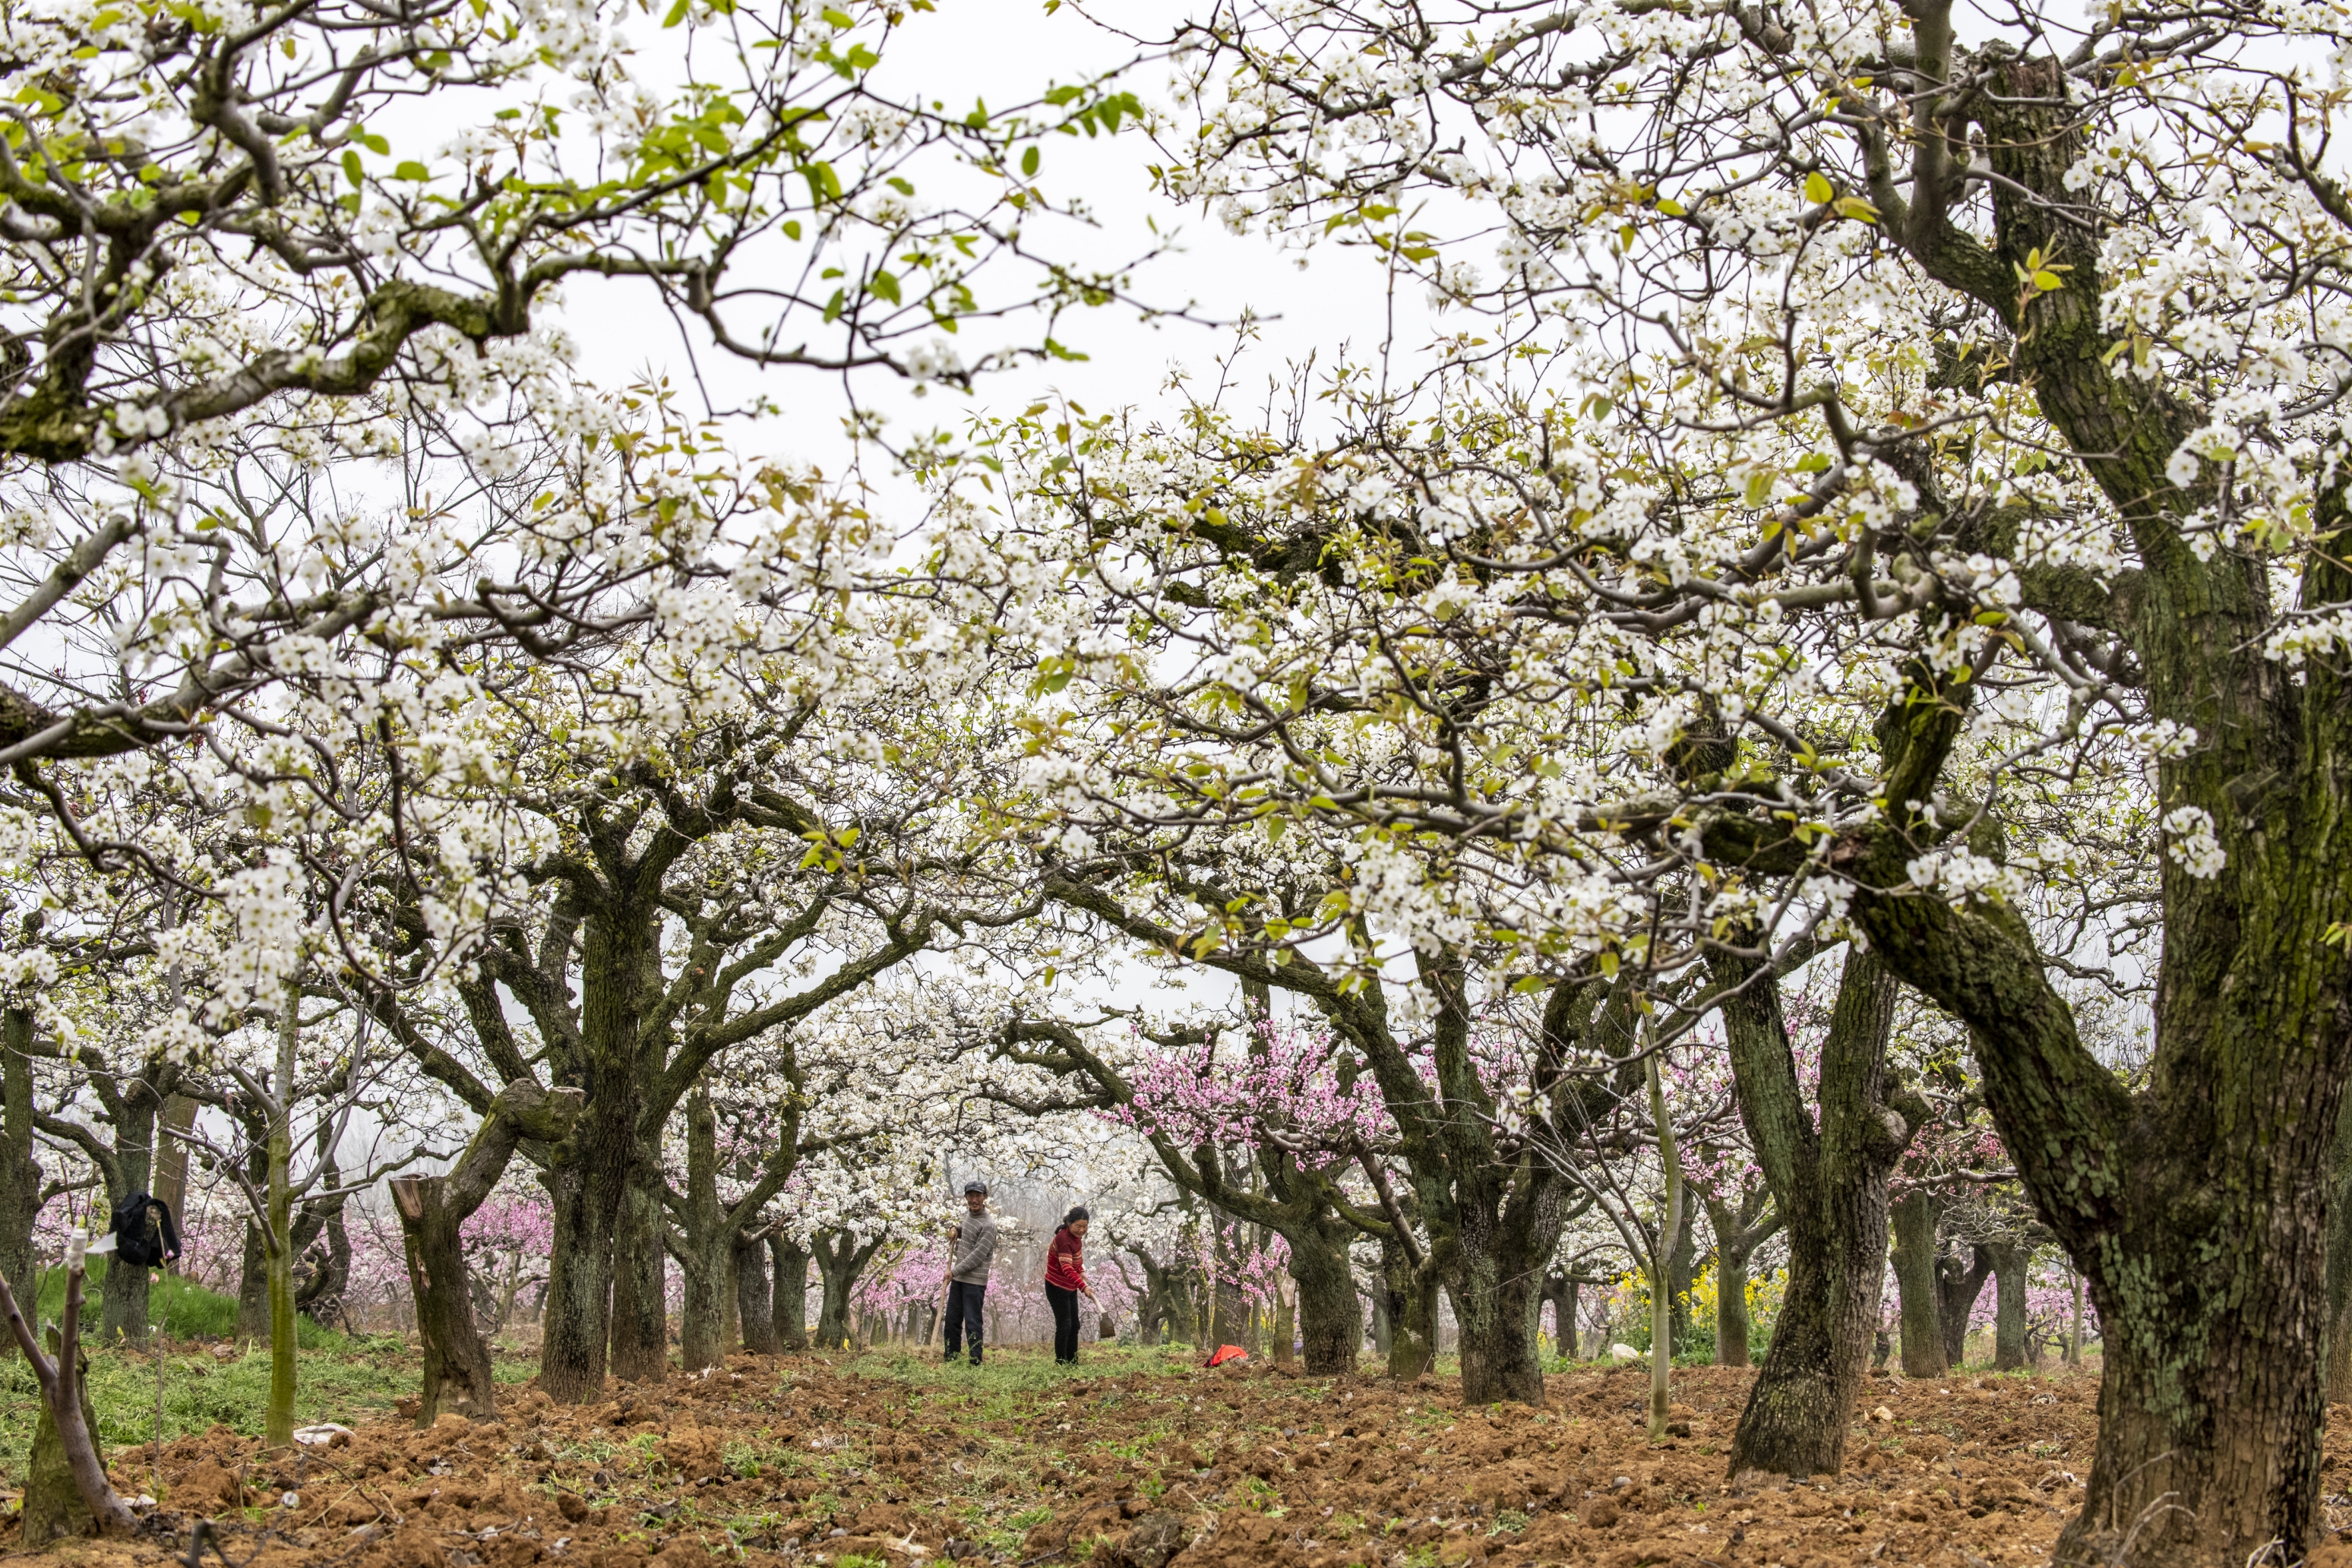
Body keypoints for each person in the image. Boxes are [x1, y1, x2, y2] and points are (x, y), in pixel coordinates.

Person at [944, 1179, 996, 1366]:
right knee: (952, 1320)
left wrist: (953, 1272)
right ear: (966, 1197)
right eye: (970, 1196)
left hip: (974, 1281)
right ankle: (951, 1358)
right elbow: (967, 1231)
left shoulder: (989, 1225)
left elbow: (977, 1256)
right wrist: (956, 1229)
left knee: (973, 1322)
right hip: (959, 1278)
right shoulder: (969, 1216)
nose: (974, 1200)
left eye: (978, 1196)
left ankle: (975, 1361)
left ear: (984, 1197)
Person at [1044, 1206, 1098, 1364]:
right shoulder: (1064, 1239)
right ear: (1069, 1223)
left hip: (1069, 1286)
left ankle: (1073, 1361)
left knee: (1075, 1325)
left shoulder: (1076, 1238)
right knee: (1065, 1325)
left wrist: (1080, 1270)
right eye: (1078, 1226)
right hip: (1056, 1286)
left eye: (1085, 1226)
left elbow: (1076, 1260)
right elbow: (1066, 1267)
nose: (1082, 1230)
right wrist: (1084, 1287)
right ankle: (1061, 1361)